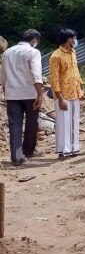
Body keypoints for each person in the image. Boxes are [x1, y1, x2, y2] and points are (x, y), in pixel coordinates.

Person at [0, 29, 43, 166]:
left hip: (12, 95)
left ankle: (16, 156)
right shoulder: (33, 52)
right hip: (30, 93)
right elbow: (37, 75)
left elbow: (3, 77)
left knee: (15, 125)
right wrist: (40, 95)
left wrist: (6, 91)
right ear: (34, 40)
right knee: (31, 123)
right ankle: (28, 150)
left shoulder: (7, 53)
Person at [49, 28, 85, 159]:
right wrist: (60, 98)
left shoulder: (73, 52)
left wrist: (81, 87)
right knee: (63, 122)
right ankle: (62, 151)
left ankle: (74, 148)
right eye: (74, 38)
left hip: (75, 92)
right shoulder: (56, 56)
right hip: (63, 94)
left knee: (74, 121)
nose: (75, 41)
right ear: (69, 40)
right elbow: (54, 79)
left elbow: (76, 71)